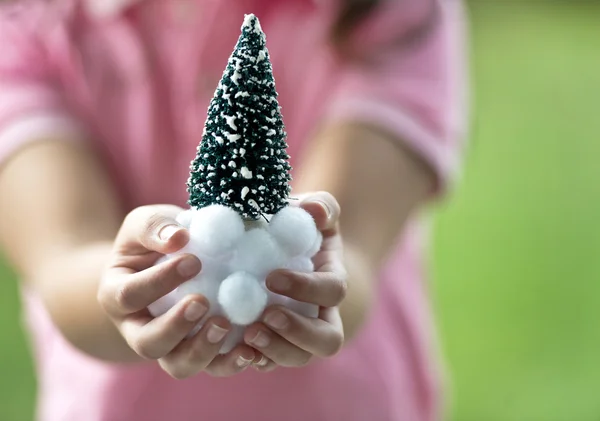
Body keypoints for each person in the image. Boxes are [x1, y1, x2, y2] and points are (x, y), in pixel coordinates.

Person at [0, 0, 468, 420]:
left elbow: (353, 247)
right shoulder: (26, 22)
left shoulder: (390, 12)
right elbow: (61, 257)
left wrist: (316, 286)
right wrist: (138, 287)